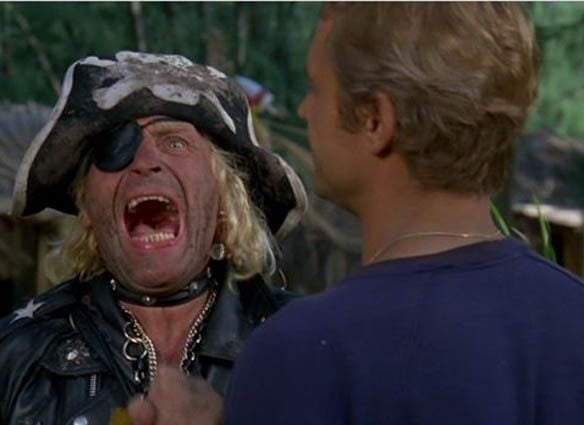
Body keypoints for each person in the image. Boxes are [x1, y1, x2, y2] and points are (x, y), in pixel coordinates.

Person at [219, 3, 584, 425]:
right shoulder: (572, 319)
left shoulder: (298, 356)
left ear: (375, 121)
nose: (304, 110)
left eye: (317, 89)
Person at [0, 51, 307, 425]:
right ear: (86, 205)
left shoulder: (307, 348)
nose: (144, 161)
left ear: (223, 198)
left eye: (175, 143)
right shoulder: (5, 365)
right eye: (114, 147)